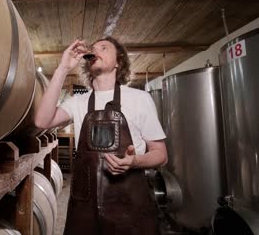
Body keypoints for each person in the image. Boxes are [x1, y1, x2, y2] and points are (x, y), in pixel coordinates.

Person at [34, 37, 168, 235]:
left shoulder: (140, 98)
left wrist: (134, 161)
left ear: (118, 62)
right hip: (84, 207)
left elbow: (160, 154)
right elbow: (41, 122)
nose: (96, 51)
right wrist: (63, 67)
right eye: (94, 49)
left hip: (129, 206)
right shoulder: (77, 102)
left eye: (104, 48)